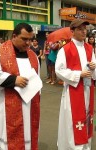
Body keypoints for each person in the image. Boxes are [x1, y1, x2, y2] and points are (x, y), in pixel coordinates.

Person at [0, 23, 41, 150]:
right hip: (4, 108)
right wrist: (13, 80)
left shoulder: (33, 56)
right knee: (4, 142)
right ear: (14, 36)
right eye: (24, 39)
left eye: (30, 39)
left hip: (28, 107)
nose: (28, 43)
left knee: (26, 139)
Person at [55, 19, 96, 150]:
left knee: (87, 118)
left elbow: (94, 69)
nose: (84, 31)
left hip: (88, 90)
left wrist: (94, 68)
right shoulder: (65, 49)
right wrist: (79, 74)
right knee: (72, 122)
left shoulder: (90, 48)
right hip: (73, 92)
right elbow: (59, 70)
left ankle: (85, 147)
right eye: (80, 29)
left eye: (85, 29)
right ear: (72, 31)